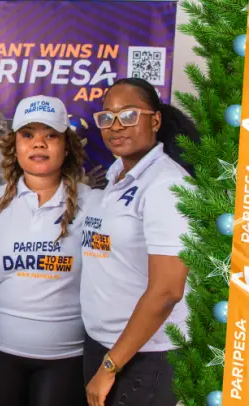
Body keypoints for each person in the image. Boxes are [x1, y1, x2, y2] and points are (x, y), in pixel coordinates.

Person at [0, 95, 99, 406]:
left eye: (51, 135)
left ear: (66, 146)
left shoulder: (93, 203)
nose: (39, 143)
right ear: (14, 145)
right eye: (28, 134)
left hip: (67, 360)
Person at [81, 77, 198, 406]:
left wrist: (110, 366)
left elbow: (167, 291)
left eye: (129, 115)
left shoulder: (166, 186)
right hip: (105, 346)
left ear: (155, 120)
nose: (116, 125)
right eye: (107, 117)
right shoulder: (116, 176)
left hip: (143, 357)